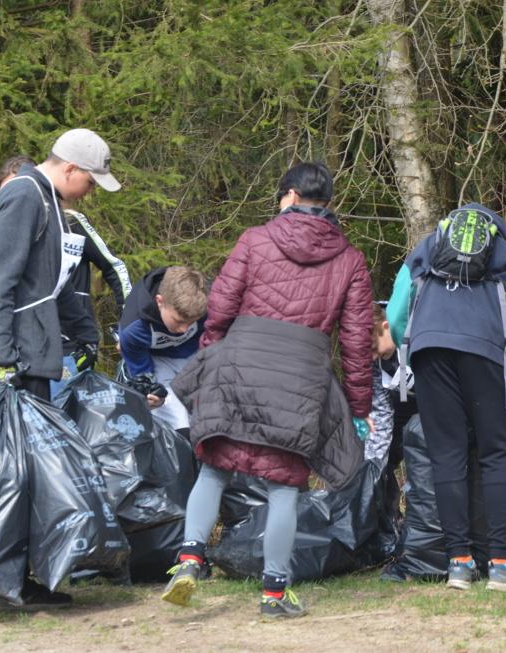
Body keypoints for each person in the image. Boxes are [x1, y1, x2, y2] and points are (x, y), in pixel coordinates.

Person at [164, 162, 374, 619]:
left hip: (239, 363)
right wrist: (359, 406)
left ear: (292, 196)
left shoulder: (254, 239)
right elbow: (357, 341)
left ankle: (189, 560)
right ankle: (275, 593)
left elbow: (218, 309)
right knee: (284, 487)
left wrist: (210, 360)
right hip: (301, 380)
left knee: (214, 469)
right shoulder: (350, 259)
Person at [0, 128, 121, 610]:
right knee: (9, 471)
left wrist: (83, 334)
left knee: (26, 470)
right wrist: (2, 358)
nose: (91, 191)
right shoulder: (25, 197)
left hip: (32, 351)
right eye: (90, 181)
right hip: (10, 358)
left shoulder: (48, 202)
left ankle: (8, 575)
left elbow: (56, 285)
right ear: (70, 168)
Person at [385, 202, 506, 591]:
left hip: (430, 349)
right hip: (486, 351)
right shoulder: (505, 254)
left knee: (446, 454)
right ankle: (502, 564)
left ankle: (459, 563)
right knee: (496, 453)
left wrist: (412, 349)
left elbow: (399, 307)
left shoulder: (428, 246)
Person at [48, 203, 132, 397]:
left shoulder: (70, 221)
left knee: (69, 418)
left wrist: (128, 321)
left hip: (72, 345)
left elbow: (114, 267)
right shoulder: (9, 223)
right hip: (23, 345)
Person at [117, 266, 208, 432]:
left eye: (190, 323)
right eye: (178, 321)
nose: (184, 330)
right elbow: (143, 376)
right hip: (157, 360)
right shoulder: (133, 329)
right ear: (160, 302)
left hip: (196, 355)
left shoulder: (205, 306)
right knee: (179, 422)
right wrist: (152, 395)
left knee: (208, 415)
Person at [367, 303, 417, 527]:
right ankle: (390, 520)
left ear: (386, 327)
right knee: (377, 454)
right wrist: (373, 468)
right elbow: (380, 413)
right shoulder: (376, 361)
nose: (373, 356)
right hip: (401, 404)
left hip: (437, 400)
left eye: (375, 349)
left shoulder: (415, 328)